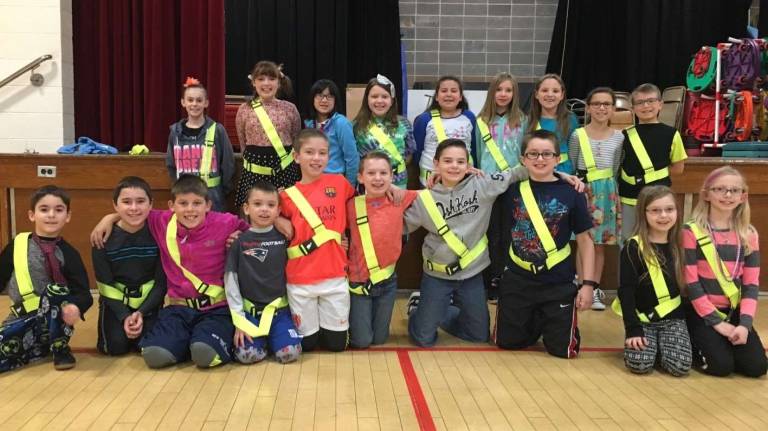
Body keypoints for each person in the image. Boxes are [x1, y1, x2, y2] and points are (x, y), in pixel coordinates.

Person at [405, 138, 582, 347]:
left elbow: (520, 171)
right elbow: (400, 227)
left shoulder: (483, 185)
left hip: (471, 273)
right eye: (447, 161)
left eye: (460, 161)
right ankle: (419, 310)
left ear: (469, 165)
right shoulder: (423, 199)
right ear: (436, 164)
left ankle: (439, 311)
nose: (454, 166)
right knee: (424, 339)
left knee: (478, 335)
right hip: (437, 274)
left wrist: (561, 176)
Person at [91, 175, 251, 368]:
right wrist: (108, 218)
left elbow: (256, 231)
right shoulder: (162, 221)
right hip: (178, 309)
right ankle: (190, 341)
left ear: (208, 205)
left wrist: (240, 236)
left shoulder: (225, 222)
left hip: (216, 309)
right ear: (171, 206)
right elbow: (134, 213)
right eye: (183, 203)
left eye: (197, 203)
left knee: (204, 355)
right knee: (154, 356)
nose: (190, 210)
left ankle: (202, 342)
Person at [494, 130, 595, 358]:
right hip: (518, 280)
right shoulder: (509, 190)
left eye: (547, 154)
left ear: (558, 159)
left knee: (563, 352)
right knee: (508, 343)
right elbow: (476, 181)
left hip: (557, 281)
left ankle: (549, 318)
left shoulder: (573, 192)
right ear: (523, 159)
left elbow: (585, 241)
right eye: (533, 154)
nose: (540, 159)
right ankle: (535, 318)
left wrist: (587, 285)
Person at [683, 166, 767, 377]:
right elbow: (692, 284)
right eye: (720, 189)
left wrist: (744, 325)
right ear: (706, 194)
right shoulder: (691, 231)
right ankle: (693, 340)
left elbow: (750, 286)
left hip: (733, 311)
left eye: (734, 190)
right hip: (701, 311)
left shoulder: (749, 234)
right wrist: (717, 324)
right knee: (721, 367)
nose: (727, 195)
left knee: (756, 367)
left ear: (743, 196)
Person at [0, 186, 92, 372]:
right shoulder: (17, 246)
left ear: (67, 216)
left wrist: (76, 307)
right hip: (21, 319)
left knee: (55, 291)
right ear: (32, 215)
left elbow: (84, 295)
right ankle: (34, 350)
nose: (51, 215)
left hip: (55, 323)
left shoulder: (69, 253)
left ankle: (59, 347)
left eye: (58, 210)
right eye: (44, 209)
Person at [280, 129, 356, 352]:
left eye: (322, 153)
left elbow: (361, 206)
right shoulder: (286, 196)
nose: (316, 158)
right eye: (309, 152)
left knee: (337, 345)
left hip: (334, 275)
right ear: (296, 156)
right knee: (308, 345)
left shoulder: (340, 184)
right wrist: (277, 220)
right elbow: (260, 213)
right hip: (301, 278)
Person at [614, 185, 691, 376]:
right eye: (655, 210)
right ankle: (654, 347)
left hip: (674, 319)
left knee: (680, 367)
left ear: (677, 212)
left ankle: (663, 347)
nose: (663, 216)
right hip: (643, 319)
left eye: (669, 209)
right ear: (644, 213)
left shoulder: (682, 245)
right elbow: (626, 291)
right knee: (639, 365)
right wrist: (633, 329)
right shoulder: (633, 247)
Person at [224, 181, 302, 364]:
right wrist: (239, 320)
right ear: (247, 208)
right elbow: (231, 281)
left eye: (271, 205)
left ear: (278, 210)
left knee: (289, 354)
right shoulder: (238, 242)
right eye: (257, 204)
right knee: (246, 356)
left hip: (280, 312)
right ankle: (262, 341)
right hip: (250, 313)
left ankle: (275, 338)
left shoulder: (285, 238)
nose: (264, 210)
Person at [347, 152, 419, 348]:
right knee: (362, 342)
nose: (377, 178)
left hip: (388, 282)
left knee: (380, 340)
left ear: (392, 176)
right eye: (371, 173)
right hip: (359, 283)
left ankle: (415, 308)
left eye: (383, 173)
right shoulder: (351, 205)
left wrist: (468, 174)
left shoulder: (399, 199)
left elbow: (437, 193)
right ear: (361, 177)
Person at [93, 176, 166, 356]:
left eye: (140, 201)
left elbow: (161, 284)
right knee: (113, 349)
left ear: (151, 204)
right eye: (126, 202)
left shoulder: (160, 233)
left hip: (149, 303)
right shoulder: (101, 237)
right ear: (115, 205)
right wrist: (124, 315)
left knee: (148, 348)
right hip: (116, 304)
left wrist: (141, 312)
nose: (134, 208)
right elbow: (105, 284)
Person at [568, 87, 624, 310]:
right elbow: (573, 164)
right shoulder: (577, 135)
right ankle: (582, 285)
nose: (602, 108)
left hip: (606, 195)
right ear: (589, 108)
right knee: (584, 242)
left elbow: (617, 166)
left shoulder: (619, 138)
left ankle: (595, 288)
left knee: (599, 244)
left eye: (607, 104)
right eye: (597, 104)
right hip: (583, 192)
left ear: (612, 109)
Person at [476, 72, 528, 297]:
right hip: (487, 185)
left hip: (514, 183)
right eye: (499, 90)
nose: (503, 94)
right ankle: (487, 279)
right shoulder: (481, 121)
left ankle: (503, 276)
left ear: (514, 94)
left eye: (508, 90)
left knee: (509, 232)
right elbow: (476, 153)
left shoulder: (522, 120)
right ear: (492, 93)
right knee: (489, 233)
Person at [618, 83, 687, 242]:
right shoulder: (624, 135)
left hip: (659, 199)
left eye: (650, 101)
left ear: (660, 104)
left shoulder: (672, 134)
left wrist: (654, 176)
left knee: (659, 241)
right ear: (633, 108)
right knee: (629, 242)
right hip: (629, 199)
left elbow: (678, 168)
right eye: (640, 102)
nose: (646, 106)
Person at [235, 61, 302, 206]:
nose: (266, 83)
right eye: (261, 79)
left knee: (286, 211)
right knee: (255, 214)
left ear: (279, 82)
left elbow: (296, 140)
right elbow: (243, 143)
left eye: (271, 79)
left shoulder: (290, 109)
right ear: (253, 82)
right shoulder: (244, 109)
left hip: (285, 171)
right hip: (254, 172)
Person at [166, 77, 235, 212]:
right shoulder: (175, 133)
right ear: (183, 102)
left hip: (213, 198)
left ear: (206, 103)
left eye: (199, 100)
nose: (194, 104)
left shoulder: (217, 130)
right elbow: (171, 165)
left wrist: (221, 191)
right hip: (184, 197)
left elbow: (228, 164)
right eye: (190, 100)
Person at [353, 75, 416, 188]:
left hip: (399, 183)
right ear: (367, 99)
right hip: (370, 184)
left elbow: (409, 154)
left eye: (385, 96)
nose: (379, 101)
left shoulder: (404, 123)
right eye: (374, 96)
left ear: (392, 100)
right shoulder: (356, 126)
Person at [413, 76, 478, 186]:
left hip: (463, 182)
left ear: (460, 96)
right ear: (437, 97)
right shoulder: (424, 120)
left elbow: (474, 150)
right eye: (444, 91)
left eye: (453, 91)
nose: (449, 94)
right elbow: (417, 152)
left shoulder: (469, 117)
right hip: (430, 183)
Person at [305, 79, 359, 186]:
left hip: (335, 181)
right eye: (320, 95)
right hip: (311, 181)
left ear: (335, 100)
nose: (324, 100)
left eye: (329, 96)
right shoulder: (308, 124)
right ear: (312, 98)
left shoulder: (341, 123)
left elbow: (352, 158)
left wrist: (349, 188)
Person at [527, 73, 578, 174]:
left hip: (565, 173)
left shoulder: (571, 119)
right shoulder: (528, 121)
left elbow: (575, 151)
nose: (550, 94)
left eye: (555, 91)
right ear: (536, 94)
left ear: (562, 95)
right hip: (537, 172)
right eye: (545, 90)